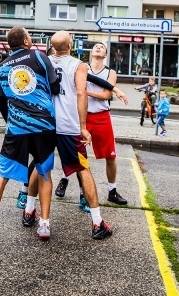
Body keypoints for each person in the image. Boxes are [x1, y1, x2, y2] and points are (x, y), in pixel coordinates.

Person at [0, 26, 59, 244]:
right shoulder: (40, 56)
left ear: (10, 45)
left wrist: (13, 120)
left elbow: (1, 102)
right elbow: (55, 86)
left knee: (1, 175)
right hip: (44, 126)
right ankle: (45, 224)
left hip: (17, 128)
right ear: (27, 42)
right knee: (44, 171)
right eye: (29, 36)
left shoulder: (1, 68)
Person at [38, 31, 114, 239]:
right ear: (71, 44)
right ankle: (97, 223)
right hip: (68, 126)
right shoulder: (78, 65)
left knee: (41, 167)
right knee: (83, 169)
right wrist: (83, 126)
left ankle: (32, 213)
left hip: (45, 123)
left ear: (53, 47)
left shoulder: (43, 62)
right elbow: (81, 93)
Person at [83, 41, 128, 207]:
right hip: (83, 115)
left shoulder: (110, 72)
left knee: (110, 156)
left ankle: (112, 191)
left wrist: (84, 92)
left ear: (105, 54)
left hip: (101, 116)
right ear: (92, 51)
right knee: (77, 153)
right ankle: (70, 184)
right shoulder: (83, 67)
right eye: (96, 46)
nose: (98, 47)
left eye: (102, 47)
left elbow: (106, 95)